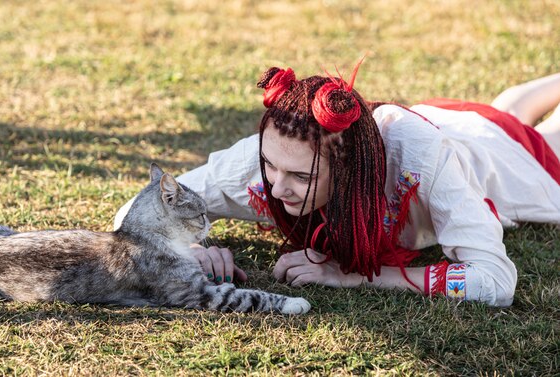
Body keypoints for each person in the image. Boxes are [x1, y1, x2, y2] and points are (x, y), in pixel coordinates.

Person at [114, 65, 560, 307]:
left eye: (303, 177)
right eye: (270, 165)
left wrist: (356, 276)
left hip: (498, 159)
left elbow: (494, 283)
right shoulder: (272, 154)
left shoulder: (423, 160)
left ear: (348, 168)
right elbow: (137, 208)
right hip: (451, 119)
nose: (278, 185)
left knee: (534, 131)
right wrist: (186, 250)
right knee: (505, 106)